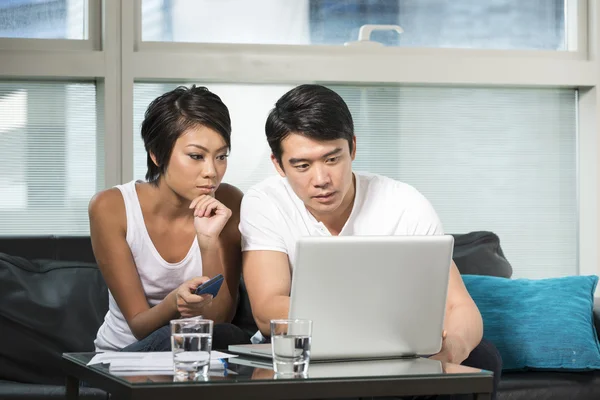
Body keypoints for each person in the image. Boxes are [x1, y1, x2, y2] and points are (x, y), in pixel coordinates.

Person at [239, 84, 502, 398]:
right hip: (306, 352)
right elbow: (269, 311)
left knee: (482, 356)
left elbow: (459, 306)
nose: (321, 179)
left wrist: (452, 350)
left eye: (332, 159)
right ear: (278, 164)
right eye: (302, 165)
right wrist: (374, 330)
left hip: (397, 351)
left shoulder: (403, 202)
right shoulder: (265, 202)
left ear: (352, 147)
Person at [90, 85, 250, 352]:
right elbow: (139, 326)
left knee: (231, 337)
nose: (212, 171)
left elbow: (219, 320)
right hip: (124, 359)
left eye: (221, 156)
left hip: (197, 356)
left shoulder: (230, 202)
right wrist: (175, 302)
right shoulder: (111, 207)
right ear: (156, 153)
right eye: (196, 156)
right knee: (175, 339)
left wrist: (208, 242)